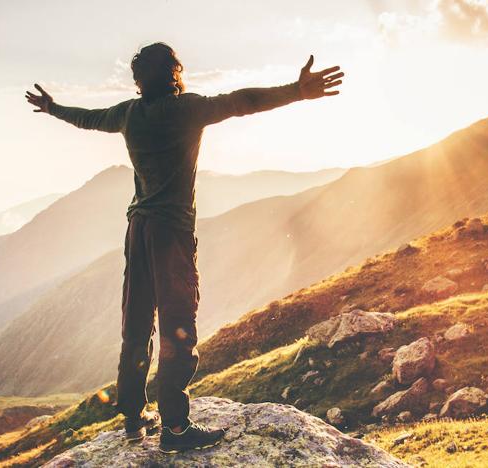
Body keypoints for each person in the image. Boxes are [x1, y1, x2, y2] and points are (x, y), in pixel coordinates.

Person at [25, 42, 343, 453]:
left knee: (136, 322)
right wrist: (297, 91)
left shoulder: (128, 114)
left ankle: (133, 420)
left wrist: (53, 108)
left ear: (139, 82)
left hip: (137, 229)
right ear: (175, 72)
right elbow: (242, 101)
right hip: (170, 232)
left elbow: (88, 119)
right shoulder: (185, 109)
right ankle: (175, 429)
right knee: (178, 324)